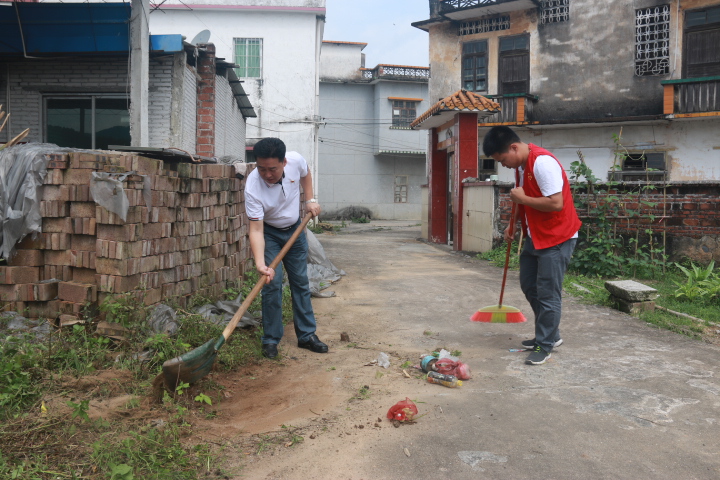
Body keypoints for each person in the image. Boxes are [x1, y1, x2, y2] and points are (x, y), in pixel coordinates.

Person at [482, 126, 581, 365]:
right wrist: (512, 223)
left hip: (557, 236)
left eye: (503, 159)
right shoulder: (521, 166)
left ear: (514, 147)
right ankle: (551, 334)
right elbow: (521, 198)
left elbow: (555, 203)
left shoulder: (542, 163)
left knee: (548, 293)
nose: (503, 164)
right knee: (529, 285)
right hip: (536, 235)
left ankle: (545, 343)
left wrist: (522, 200)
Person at [244, 137, 328, 359]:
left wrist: (310, 198)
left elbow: (306, 173)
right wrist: (261, 264)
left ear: (284, 163)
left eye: (272, 169)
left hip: (295, 231)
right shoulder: (253, 186)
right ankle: (271, 339)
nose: (267, 174)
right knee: (272, 285)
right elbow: (256, 230)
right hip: (270, 234)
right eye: (261, 169)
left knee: (300, 281)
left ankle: (307, 336)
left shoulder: (295, 161)